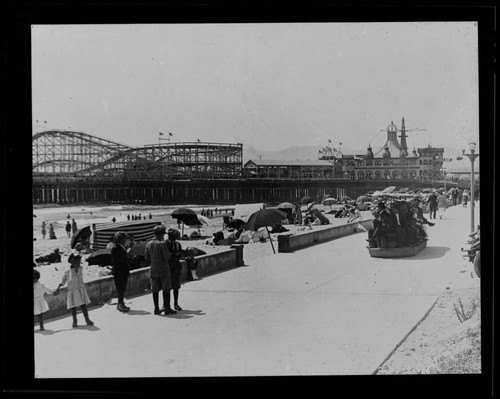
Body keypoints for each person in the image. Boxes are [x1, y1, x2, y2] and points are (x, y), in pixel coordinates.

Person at [54, 252, 94, 328]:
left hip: (80, 289)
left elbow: (77, 273)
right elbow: (63, 280)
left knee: (83, 305)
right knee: (73, 306)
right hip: (72, 290)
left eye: (79, 262)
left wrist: (76, 266)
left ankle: (87, 319)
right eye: (77, 262)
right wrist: (58, 288)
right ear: (72, 262)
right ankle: (74, 320)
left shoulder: (80, 268)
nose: (79, 263)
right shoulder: (68, 271)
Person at [144, 225, 175, 315]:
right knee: (166, 289)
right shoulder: (162, 244)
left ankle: (156, 309)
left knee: (155, 290)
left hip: (153, 269)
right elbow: (167, 257)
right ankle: (167, 308)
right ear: (161, 234)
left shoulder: (148, 244)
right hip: (163, 269)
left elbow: (146, 257)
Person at [110, 231, 131, 312]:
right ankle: (120, 304)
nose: (126, 240)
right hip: (119, 271)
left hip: (123, 271)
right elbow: (115, 261)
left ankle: (121, 303)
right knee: (120, 289)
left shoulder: (121, 247)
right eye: (124, 238)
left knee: (122, 288)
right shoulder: (115, 248)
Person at [166, 228, 183, 311]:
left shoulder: (177, 244)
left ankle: (176, 303)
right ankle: (166, 304)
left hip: (176, 267)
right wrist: (173, 254)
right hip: (168, 268)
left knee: (176, 287)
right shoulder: (165, 244)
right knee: (167, 288)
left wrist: (177, 254)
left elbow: (180, 253)